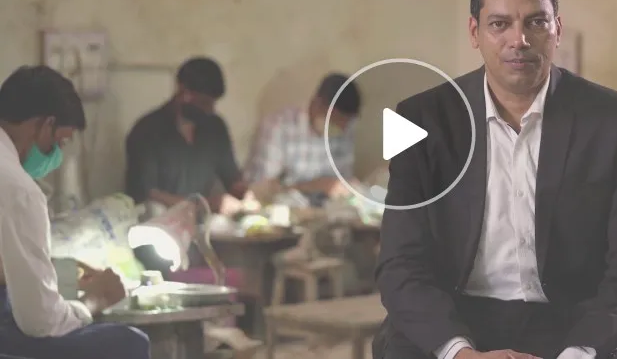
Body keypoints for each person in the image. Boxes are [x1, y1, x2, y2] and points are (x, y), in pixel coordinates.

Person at [373, 0, 617, 359]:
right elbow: (399, 263)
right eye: (499, 24)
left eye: (535, 22)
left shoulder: (612, 119)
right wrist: (459, 353)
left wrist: (577, 354)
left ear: (557, 29)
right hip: (457, 316)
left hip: (575, 319)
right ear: (474, 32)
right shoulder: (418, 119)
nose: (519, 40)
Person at [0, 65, 150, 359]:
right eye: (60, 142)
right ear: (46, 124)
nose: (56, 155)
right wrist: (94, 301)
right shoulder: (18, 189)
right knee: (129, 342)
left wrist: (53, 272)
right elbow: (40, 322)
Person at [125, 56, 251, 213]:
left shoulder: (215, 127)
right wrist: (206, 205)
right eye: (204, 103)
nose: (210, 110)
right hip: (157, 223)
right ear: (184, 92)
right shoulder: (146, 131)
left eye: (213, 103)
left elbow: (231, 177)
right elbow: (146, 194)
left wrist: (245, 193)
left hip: (204, 223)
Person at [244, 72, 362, 201]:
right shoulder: (279, 127)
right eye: (333, 121)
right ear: (316, 104)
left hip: (329, 208)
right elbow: (262, 190)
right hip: (285, 207)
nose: (340, 129)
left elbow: (344, 177)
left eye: (343, 124)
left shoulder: (345, 130)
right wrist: (313, 186)